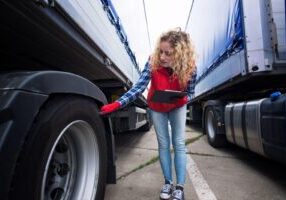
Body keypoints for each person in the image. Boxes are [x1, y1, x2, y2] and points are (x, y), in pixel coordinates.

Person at [100, 28, 197, 200]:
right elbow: (139, 87)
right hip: (157, 106)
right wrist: (117, 103)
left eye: (168, 53)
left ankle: (180, 187)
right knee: (163, 143)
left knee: (179, 142)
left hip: (177, 105)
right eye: (161, 51)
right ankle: (168, 183)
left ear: (180, 53)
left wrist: (180, 98)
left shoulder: (190, 67)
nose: (162, 57)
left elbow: (190, 92)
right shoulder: (153, 62)